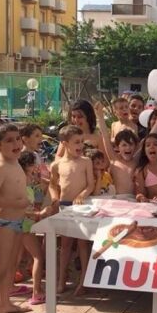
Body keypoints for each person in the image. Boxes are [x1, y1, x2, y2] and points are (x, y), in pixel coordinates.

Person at [0, 123, 33, 313]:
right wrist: (17, 204)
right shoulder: (1, 167)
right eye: (9, 141)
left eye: (17, 139)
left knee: (10, 268)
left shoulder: (15, 163)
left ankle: (5, 303)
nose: (16, 143)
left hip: (15, 223)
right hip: (2, 225)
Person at [49, 125, 94, 295]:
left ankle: (83, 281)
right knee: (66, 244)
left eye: (82, 142)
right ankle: (61, 281)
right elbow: (53, 185)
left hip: (81, 207)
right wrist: (54, 198)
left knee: (82, 244)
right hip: (65, 206)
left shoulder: (86, 162)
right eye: (76, 142)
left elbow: (90, 184)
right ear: (65, 143)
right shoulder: (57, 164)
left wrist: (83, 194)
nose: (81, 146)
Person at [17, 151, 51, 307]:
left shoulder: (27, 180)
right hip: (24, 223)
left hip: (24, 223)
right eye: (34, 165)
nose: (37, 168)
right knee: (37, 257)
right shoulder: (22, 181)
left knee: (15, 257)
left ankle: (8, 288)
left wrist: (44, 184)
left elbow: (37, 197)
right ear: (28, 165)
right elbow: (19, 208)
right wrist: (39, 213)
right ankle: (36, 292)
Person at [95, 103, 138, 195]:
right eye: (124, 145)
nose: (128, 148)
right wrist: (100, 116)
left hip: (134, 201)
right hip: (117, 200)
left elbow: (150, 137)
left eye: (131, 144)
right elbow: (105, 136)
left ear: (135, 146)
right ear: (118, 147)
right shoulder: (114, 159)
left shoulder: (136, 160)